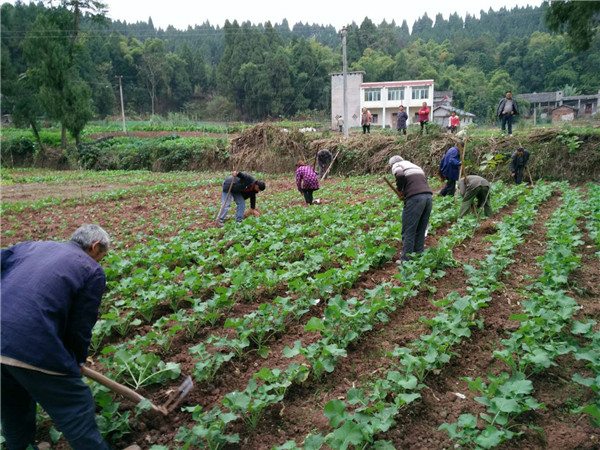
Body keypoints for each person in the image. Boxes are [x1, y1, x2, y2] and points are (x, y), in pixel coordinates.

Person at [1, 224, 112, 450]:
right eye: (103, 255)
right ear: (95, 247)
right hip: (30, 344)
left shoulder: (31, 247)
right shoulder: (91, 269)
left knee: (13, 406)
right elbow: (80, 326)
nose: (101, 261)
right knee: (75, 405)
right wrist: (76, 360)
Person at [389, 155, 433, 263]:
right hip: (428, 197)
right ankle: (418, 257)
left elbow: (399, 175)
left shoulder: (397, 165)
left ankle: (406, 261)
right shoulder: (414, 166)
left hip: (415, 199)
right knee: (421, 229)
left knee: (409, 230)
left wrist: (401, 190)